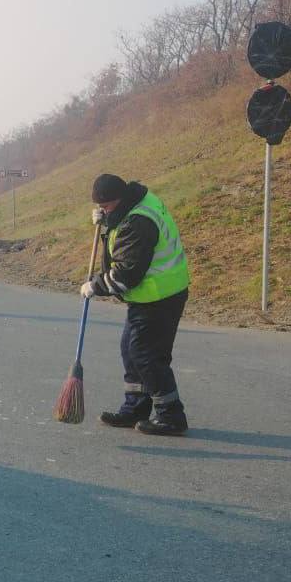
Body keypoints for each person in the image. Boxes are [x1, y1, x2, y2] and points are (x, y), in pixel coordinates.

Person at [80, 174, 191, 436]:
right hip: (149, 296)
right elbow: (121, 233)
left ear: (119, 200)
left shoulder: (139, 221)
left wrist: (95, 286)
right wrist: (106, 220)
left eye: (106, 207)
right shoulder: (134, 203)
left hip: (161, 295)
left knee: (147, 355)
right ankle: (135, 408)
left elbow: (127, 273)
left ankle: (171, 415)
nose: (103, 211)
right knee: (131, 351)